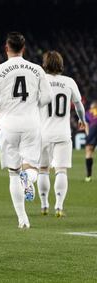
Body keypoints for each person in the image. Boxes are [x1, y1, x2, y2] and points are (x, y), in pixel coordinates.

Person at [0, 32, 52, 229]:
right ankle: (29, 178)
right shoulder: (37, 69)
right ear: (24, 48)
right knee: (32, 167)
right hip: (31, 123)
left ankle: (23, 220)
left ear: (7, 48)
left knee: (13, 173)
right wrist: (33, 105)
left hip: (8, 124)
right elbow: (47, 97)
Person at [37, 51, 87, 217]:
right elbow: (79, 105)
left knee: (43, 170)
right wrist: (82, 120)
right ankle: (58, 206)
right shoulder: (69, 82)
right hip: (62, 133)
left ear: (45, 64)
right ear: (61, 64)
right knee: (61, 170)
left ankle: (44, 205)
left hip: (42, 133)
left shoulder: (39, 81)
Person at [85, 101, 97, 182]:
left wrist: (89, 135)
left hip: (93, 128)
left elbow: (85, 125)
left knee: (89, 151)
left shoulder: (88, 113)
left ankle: (88, 176)